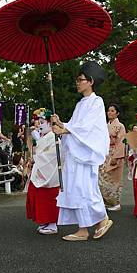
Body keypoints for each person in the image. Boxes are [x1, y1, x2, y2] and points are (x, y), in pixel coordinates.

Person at [51, 61, 113, 241]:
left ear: (91, 81)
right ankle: (83, 229)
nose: (77, 82)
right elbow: (76, 126)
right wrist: (61, 124)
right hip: (76, 155)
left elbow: (89, 129)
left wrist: (66, 129)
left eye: (81, 79)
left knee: (86, 189)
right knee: (77, 189)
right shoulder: (80, 104)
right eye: (77, 79)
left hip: (85, 154)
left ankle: (102, 219)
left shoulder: (96, 102)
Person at [25, 108, 60, 234]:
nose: (39, 125)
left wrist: (36, 158)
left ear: (50, 123)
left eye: (42, 122)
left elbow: (52, 156)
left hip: (48, 171)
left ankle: (52, 224)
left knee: (48, 197)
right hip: (40, 169)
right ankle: (44, 221)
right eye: (38, 122)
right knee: (36, 195)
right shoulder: (44, 136)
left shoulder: (53, 137)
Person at [99, 103, 126, 211]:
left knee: (114, 179)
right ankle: (106, 202)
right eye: (108, 110)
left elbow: (121, 142)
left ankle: (115, 203)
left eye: (112, 111)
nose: (109, 112)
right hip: (105, 154)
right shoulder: (104, 125)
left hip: (115, 153)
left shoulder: (120, 126)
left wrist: (116, 156)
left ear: (117, 113)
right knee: (102, 178)